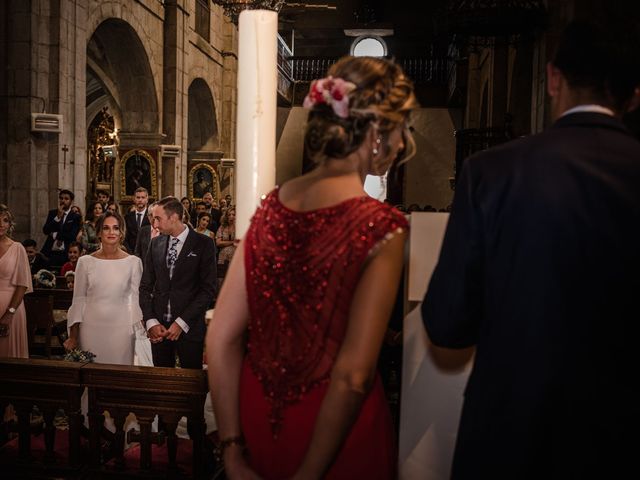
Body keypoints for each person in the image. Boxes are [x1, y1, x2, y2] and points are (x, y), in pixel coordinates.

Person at [421, 20, 640, 478]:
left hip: (509, 436)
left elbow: (447, 324)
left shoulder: (491, 172)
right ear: (634, 95)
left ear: (552, 77)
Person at [207, 55, 417, 479]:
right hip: (339, 435)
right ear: (377, 132)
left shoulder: (270, 209)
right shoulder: (383, 227)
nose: (402, 142)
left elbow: (221, 338)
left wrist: (231, 448)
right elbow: (354, 375)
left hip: (259, 418)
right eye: (402, 127)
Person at [140, 196, 217, 369]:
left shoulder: (203, 243)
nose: (155, 224)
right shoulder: (155, 244)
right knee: (161, 385)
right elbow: (145, 286)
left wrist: (181, 323)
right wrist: (151, 321)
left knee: (191, 385)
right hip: (158, 330)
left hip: (189, 328)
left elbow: (208, 290)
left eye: (158, 219)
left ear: (174, 217)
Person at [64, 211, 143, 365]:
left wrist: (140, 331)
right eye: (106, 228)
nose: (111, 232)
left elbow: (135, 301)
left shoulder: (134, 262)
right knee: (92, 376)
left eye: (115, 228)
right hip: (90, 328)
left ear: (121, 233)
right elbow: (78, 301)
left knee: (119, 377)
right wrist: (73, 336)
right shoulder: (85, 262)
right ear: (99, 233)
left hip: (122, 330)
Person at [0, 205, 33, 358]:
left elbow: (22, 285)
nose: (1, 224)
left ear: (9, 225)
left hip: (11, 307)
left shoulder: (17, 248)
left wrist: (9, 313)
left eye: (5, 220)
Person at [41, 189, 82, 269]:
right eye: (61, 198)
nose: (63, 201)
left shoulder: (75, 216)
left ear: (71, 201)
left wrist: (54, 234)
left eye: (66, 199)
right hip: (51, 251)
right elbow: (45, 230)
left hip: (66, 252)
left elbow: (72, 235)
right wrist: (57, 218)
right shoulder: (53, 213)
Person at [124, 187, 150, 253]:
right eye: (138, 197)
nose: (140, 200)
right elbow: (125, 237)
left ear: (147, 199)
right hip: (131, 253)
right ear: (134, 199)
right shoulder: (127, 217)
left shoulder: (152, 216)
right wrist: (130, 253)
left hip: (148, 253)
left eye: (143, 197)